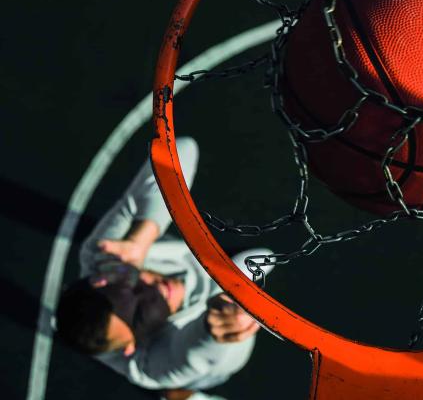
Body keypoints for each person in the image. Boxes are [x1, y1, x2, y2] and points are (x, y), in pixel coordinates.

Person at [56, 137, 273, 400]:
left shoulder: (105, 256)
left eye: (130, 288)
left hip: (194, 266)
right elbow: (197, 350)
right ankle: (179, 394)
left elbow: (181, 148)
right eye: (138, 315)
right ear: (131, 347)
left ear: (101, 280)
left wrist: (141, 237)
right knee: (257, 262)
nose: (153, 290)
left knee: (257, 259)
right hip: (211, 360)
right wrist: (216, 326)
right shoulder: (149, 365)